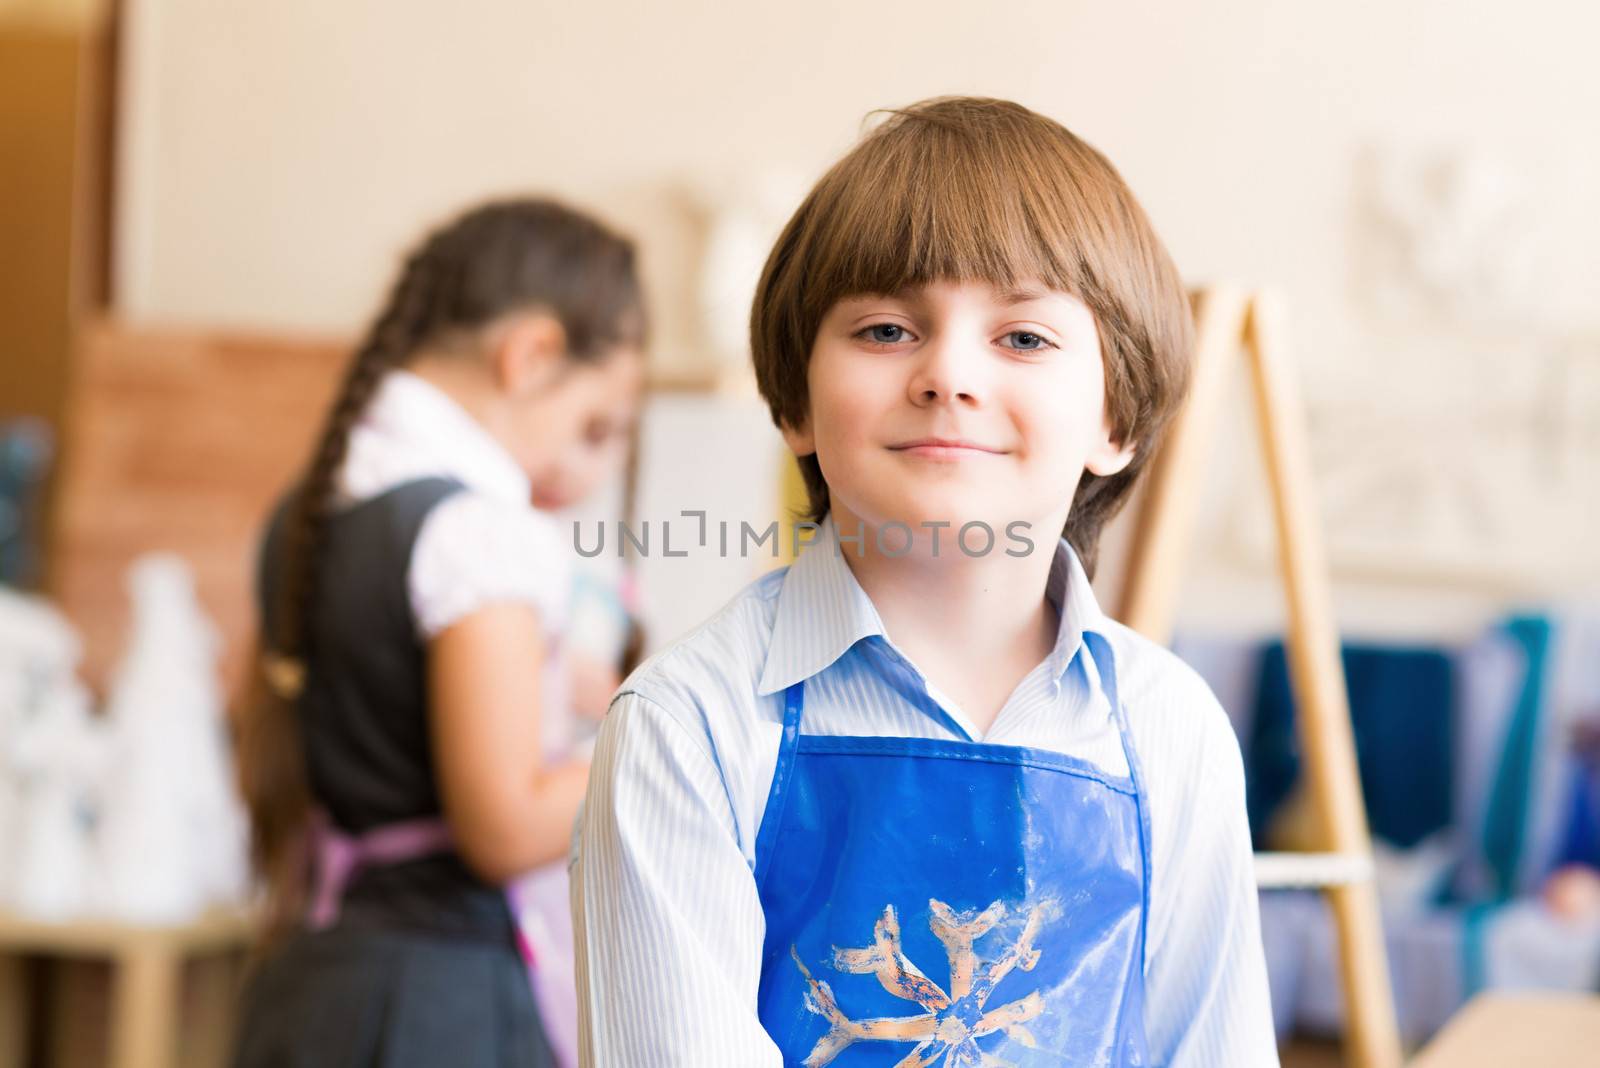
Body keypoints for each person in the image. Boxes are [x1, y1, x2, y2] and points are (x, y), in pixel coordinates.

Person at [572, 97, 1278, 1066]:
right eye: (885, 330)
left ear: (1114, 419)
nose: (948, 374)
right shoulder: (686, 724)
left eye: (1022, 338)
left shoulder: (1168, 728)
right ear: (797, 404)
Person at [231, 197, 645, 1068]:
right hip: (436, 1007)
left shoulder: (307, 511)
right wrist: (656, 738)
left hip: (312, 983)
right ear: (531, 356)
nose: (582, 469)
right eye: (591, 425)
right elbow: (501, 825)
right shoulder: (477, 533)